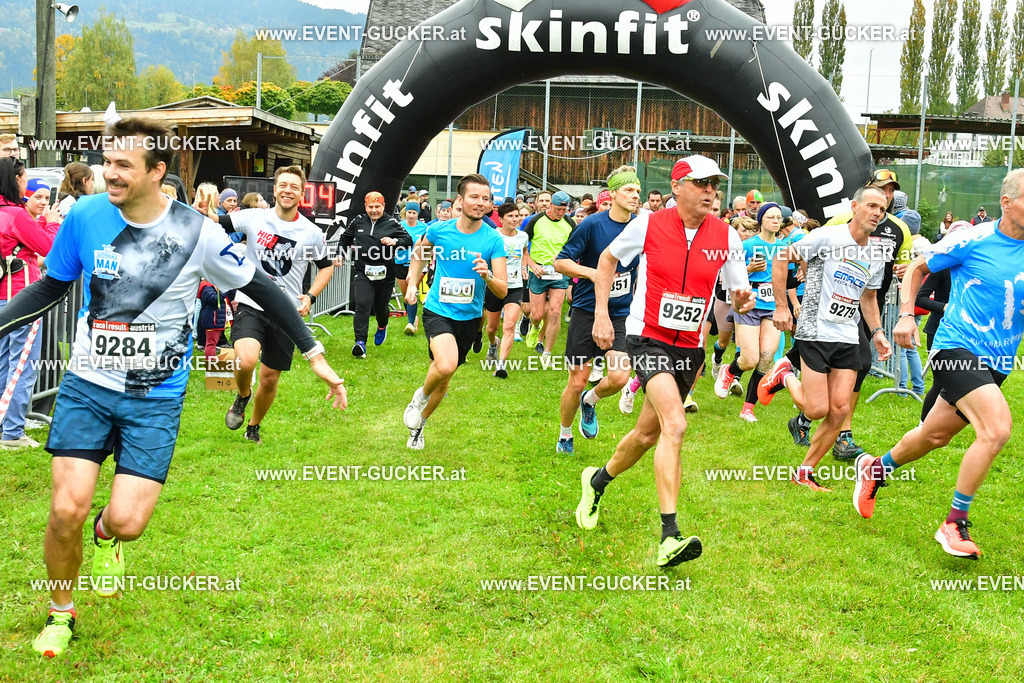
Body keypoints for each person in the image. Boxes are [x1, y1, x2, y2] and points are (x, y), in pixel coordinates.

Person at [4, 117, 345, 659]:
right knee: (66, 510)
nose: (109, 174)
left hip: (155, 398)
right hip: (88, 384)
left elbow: (262, 288)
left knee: (127, 522)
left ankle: (107, 536)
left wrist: (314, 352)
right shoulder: (87, 215)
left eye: (122, 165)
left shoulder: (199, 233)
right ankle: (61, 612)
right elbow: (50, 286)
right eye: (106, 162)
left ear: (157, 172)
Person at [574, 155, 752, 567]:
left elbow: (737, 293)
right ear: (677, 187)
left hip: (690, 348)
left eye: (714, 184)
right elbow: (607, 260)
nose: (710, 191)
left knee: (645, 435)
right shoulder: (649, 224)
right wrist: (601, 313)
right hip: (647, 338)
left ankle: (596, 482)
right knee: (676, 424)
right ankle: (669, 536)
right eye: (701, 183)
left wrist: (743, 301)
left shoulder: (727, 235)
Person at [853, 168, 1024, 559]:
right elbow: (917, 268)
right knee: (997, 429)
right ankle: (954, 522)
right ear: (1007, 202)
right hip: (955, 348)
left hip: (998, 361)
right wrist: (906, 316)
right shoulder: (973, 238)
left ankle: (876, 469)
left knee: (934, 435)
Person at [758, 185, 891, 491]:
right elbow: (782, 256)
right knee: (817, 409)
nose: (877, 213)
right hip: (815, 330)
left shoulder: (876, 253)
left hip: (848, 334)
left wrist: (878, 332)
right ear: (854, 207)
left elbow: (868, 298)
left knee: (840, 410)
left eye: (882, 209)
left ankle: (804, 472)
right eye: (871, 206)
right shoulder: (827, 237)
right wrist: (781, 306)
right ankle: (784, 375)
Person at [213, 166, 337, 444]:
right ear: (275, 189)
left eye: (294, 187)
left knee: (269, 378)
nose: (287, 191)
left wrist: (310, 296)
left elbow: (326, 266)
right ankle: (243, 395)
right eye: (283, 185)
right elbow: (217, 221)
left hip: (286, 311)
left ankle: (253, 426)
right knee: (246, 359)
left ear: (302, 193)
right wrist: (203, 210)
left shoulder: (310, 232)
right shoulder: (255, 217)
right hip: (251, 302)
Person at [401, 174, 507, 450]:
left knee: (443, 379)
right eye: (474, 197)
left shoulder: (493, 239)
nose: (480, 203)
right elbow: (419, 254)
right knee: (446, 365)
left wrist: (487, 276)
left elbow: (502, 290)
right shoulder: (439, 230)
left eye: (486, 199)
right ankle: (418, 400)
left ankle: (420, 425)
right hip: (438, 310)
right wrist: (412, 282)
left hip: (469, 318)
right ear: (461, 199)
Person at [553, 166, 641, 453]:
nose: (635, 195)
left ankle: (590, 401)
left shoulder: (640, 226)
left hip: (621, 313)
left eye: (637, 191)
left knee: (619, 377)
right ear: (612, 193)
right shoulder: (592, 224)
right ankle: (565, 434)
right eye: (628, 190)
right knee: (577, 380)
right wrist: (594, 273)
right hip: (586, 310)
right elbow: (560, 262)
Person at [0, 159, 58, 449]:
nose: (26, 183)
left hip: (3, 296)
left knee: (3, 364)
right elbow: (50, 248)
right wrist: (52, 223)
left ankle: (4, 426)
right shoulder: (16, 215)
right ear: (15, 179)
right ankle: (12, 432)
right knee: (22, 364)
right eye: (24, 178)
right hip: (23, 297)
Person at [714, 202, 787, 422]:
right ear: (761, 220)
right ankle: (729, 371)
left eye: (778, 218)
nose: (776, 221)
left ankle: (748, 409)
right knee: (749, 360)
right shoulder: (747, 246)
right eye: (771, 217)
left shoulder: (784, 247)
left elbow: (789, 279)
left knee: (766, 359)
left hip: (772, 307)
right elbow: (726, 277)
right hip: (749, 305)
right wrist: (749, 269)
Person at [337, 193, 413, 356]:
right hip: (362, 270)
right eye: (370, 207)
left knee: (381, 307)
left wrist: (395, 242)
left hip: (385, 272)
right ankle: (360, 343)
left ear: (383, 206)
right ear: (365, 207)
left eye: (377, 207)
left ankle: (382, 325)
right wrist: (340, 255)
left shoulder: (392, 223)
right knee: (362, 304)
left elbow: (408, 240)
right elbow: (345, 238)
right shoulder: (358, 221)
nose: (374, 210)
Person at [522, 191, 576, 362]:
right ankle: (535, 326)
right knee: (537, 314)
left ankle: (547, 353)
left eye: (564, 210)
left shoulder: (570, 223)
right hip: (538, 272)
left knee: (555, 311)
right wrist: (532, 264)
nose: (561, 213)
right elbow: (522, 247)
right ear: (551, 205)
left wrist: (564, 260)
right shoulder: (536, 220)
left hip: (559, 272)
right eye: (558, 209)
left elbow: (574, 247)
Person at [485, 202, 528, 377]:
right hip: (495, 285)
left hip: (515, 286)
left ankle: (501, 366)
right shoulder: (493, 235)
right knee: (491, 328)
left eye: (517, 216)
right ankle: (492, 344)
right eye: (510, 216)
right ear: (501, 219)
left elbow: (525, 252)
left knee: (509, 325)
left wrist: (524, 267)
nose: (515, 219)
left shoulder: (523, 236)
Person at [396, 200, 429, 335]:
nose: (411, 215)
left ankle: (410, 323)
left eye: (414, 213)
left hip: (417, 265)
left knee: (412, 290)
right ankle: (413, 317)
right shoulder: (399, 226)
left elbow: (428, 245)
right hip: (400, 263)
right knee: (406, 296)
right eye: (409, 212)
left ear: (417, 214)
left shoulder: (424, 228)